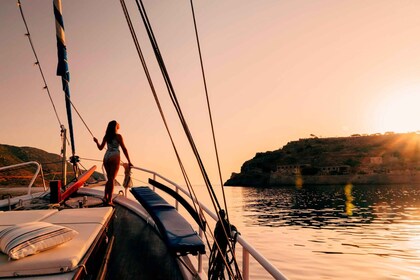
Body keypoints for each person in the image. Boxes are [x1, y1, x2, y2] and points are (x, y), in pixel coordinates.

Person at [94, 120, 132, 205]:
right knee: (111, 179)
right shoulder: (118, 136)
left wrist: (96, 142)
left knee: (109, 178)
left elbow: (100, 148)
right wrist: (129, 161)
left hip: (106, 157)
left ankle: (105, 196)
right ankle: (109, 200)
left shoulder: (106, 136)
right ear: (115, 127)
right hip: (114, 156)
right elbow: (124, 149)